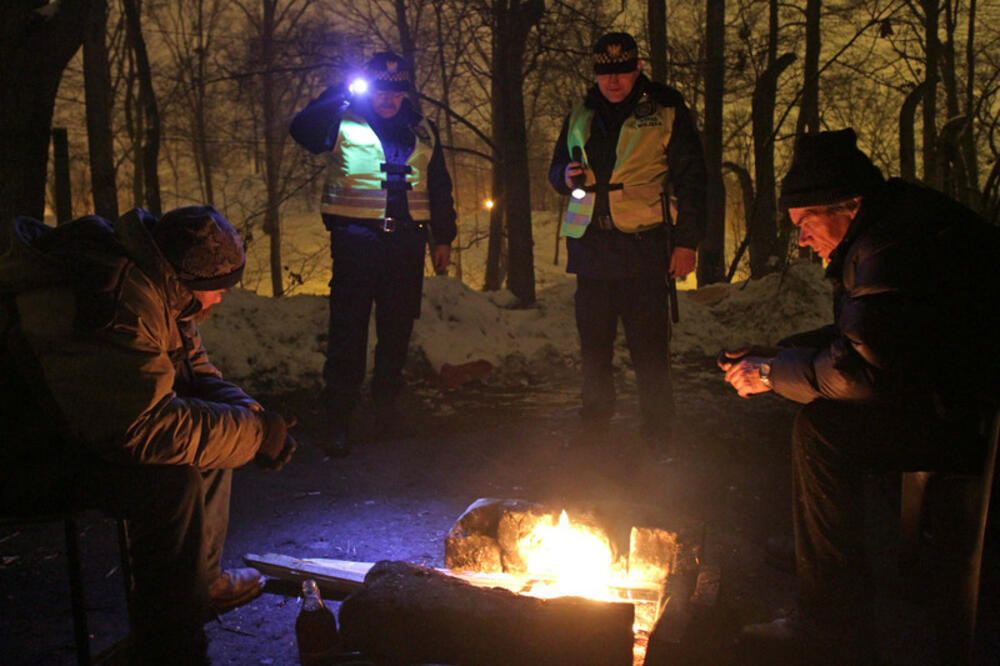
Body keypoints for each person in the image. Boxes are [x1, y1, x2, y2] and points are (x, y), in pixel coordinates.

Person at [720, 129, 1000, 660]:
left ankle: (834, 627)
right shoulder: (888, 228)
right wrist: (779, 354)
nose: (802, 241)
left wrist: (771, 374)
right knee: (821, 414)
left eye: (805, 224)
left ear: (845, 205)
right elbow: (872, 337)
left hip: (968, 415)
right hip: (944, 390)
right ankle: (824, 561)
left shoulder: (889, 245)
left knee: (824, 430)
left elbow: (860, 372)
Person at [0, 205, 297, 665]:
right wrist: (255, 434)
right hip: (29, 446)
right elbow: (143, 430)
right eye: (219, 289)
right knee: (169, 480)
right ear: (192, 280)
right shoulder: (114, 297)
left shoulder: (163, 285)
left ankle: (201, 585)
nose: (220, 300)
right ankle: (171, 650)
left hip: (87, 422)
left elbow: (195, 373)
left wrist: (256, 420)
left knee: (213, 429)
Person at [290, 51, 457, 457]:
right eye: (380, 89)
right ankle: (338, 416)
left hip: (407, 243)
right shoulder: (341, 118)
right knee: (348, 330)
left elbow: (438, 185)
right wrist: (339, 93)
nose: (388, 98)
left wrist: (444, 237)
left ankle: (387, 410)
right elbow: (302, 130)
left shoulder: (423, 129)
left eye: (396, 91)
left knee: (397, 329)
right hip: (356, 240)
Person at [548, 32, 706, 453]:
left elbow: (693, 179)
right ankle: (594, 426)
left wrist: (687, 243)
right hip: (590, 248)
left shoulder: (666, 109)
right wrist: (563, 176)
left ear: (637, 68)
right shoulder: (580, 113)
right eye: (605, 73)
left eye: (621, 71)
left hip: (643, 246)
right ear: (595, 74)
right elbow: (557, 168)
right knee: (594, 349)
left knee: (649, 349)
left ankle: (658, 430)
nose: (613, 81)